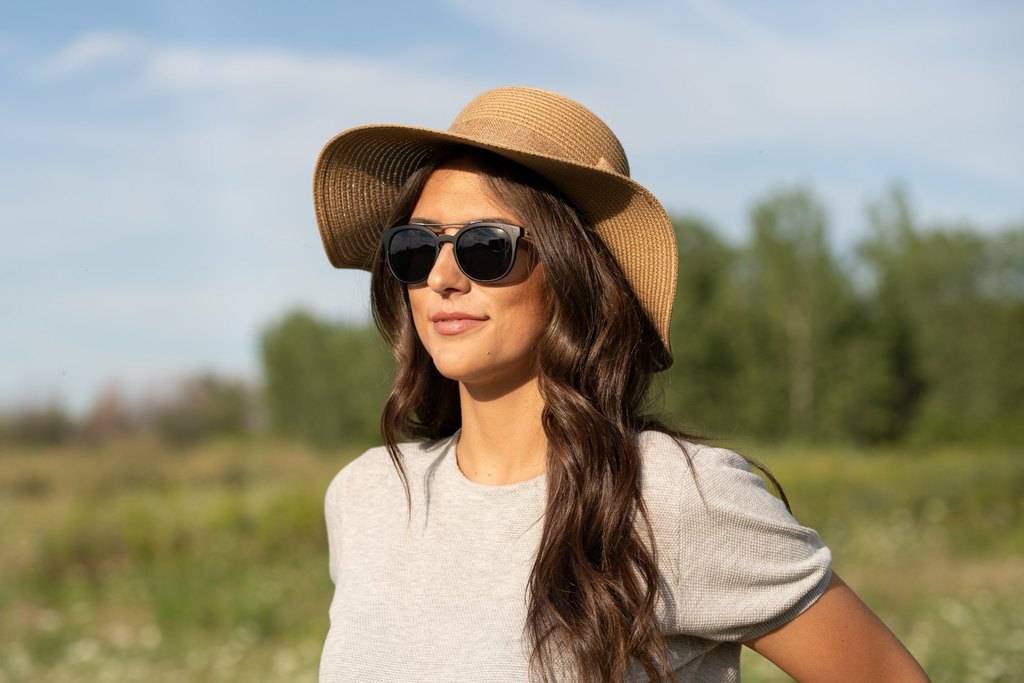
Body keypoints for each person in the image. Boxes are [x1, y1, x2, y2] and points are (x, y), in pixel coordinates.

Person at [310, 86, 929, 682]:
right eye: (416, 248)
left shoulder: (678, 497)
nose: (442, 276)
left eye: (485, 246)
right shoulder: (367, 496)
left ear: (575, 272)